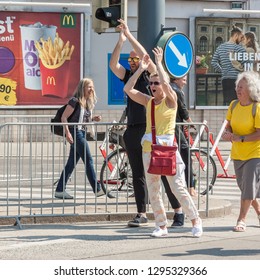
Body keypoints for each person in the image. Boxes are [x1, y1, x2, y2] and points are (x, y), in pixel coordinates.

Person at [123, 46, 203, 238]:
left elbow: (167, 86)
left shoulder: (171, 100)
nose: (153, 86)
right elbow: (128, 89)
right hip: (149, 150)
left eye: (156, 83)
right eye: (151, 84)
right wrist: (141, 69)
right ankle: (161, 225)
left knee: (178, 188)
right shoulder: (149, 101)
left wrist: (158, 64)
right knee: (154, 190)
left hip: (167, 150)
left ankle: (195, 220)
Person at [109, 19, 157, 227]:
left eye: (134, 59)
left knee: (157, 173)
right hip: (132, 129)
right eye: (130, 60)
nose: (131, 62)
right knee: (137, 173)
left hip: (149, 129)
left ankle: (176, 212)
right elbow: (113, 65)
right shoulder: (128, 75)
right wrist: (120, 41)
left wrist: (129, 35)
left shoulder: (150, 74)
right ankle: (142, 213)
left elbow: (142, 51)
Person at [222, 71, 260, 232]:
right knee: (244, 187)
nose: (238, 89)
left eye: (241, 87)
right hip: (237, 154)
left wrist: (241, 138)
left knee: (249, 187)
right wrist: (227, 133)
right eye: (237, 86)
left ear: (250, 89)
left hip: (255, 153)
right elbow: (228, 125)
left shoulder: (256, 108)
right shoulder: (233, 105)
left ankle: (241, 220)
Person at [55, 78, 104, 199]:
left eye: (92, 86)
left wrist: (93, 118)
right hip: (75, 132)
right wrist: (67, 133)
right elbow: (64, 117)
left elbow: (82, 120)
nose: (91, 89)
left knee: (71, 163)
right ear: (82, 88)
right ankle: (97, 189)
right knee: (89, 160)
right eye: (89, 87)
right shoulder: (74, 101)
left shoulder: (86, 103)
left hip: (81, 132)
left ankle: (60, 190)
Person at [161, 75, 196, 228]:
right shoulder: (176, 92)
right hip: (173, 136)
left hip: (164, 138)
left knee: (168, 177)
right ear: (175, 79)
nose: (185, 82)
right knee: (177, 175)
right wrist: (191, 124)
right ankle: (188, 212)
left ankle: (180, 214)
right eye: (183, 79)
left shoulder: (164, 93)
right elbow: (183, 111)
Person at [211, 25, 247, 106]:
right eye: (241, 37)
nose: (241, 40)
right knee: (238, 104)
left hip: (225, 80)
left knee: (227, 104)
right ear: (236, 35)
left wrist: (223, 70)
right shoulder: (239, 48)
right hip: (237, 80)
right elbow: (246, 65)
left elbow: (213, 62)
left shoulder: (220, 47)